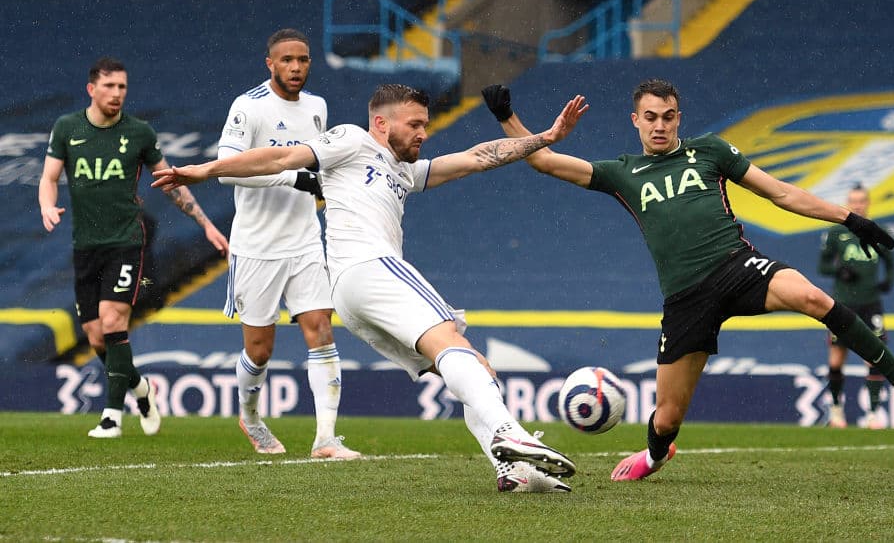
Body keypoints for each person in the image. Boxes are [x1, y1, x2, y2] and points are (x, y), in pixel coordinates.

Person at [479, 80, 894, 482]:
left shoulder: (710, 152)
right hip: (686, 299)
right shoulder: (622, 173)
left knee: (812, 296)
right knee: (667, 418)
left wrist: (848, 218)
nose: (660, 125)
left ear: (679, 118)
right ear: (635, 121)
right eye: (651, 117)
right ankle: (654, 455)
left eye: (668, 116)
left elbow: (779, 192)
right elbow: (541, 161)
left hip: (736, 266)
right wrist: (508, 116)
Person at [152, 84, 588, 493]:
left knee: (471, 366)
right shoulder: (352, 140)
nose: (423, 132)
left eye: (425, 124)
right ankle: (509, 434)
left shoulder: (404, 170)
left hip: (353, 295)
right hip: (370, 267)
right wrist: (207, 169)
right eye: (414, 124)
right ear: (381, 124)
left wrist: (547, 136)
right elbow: (281, 159)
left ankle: (513, 469)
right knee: (453, 342)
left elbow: (477, 157)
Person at [39, 56, 230, 439]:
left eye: (122, 87)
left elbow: (171, 181)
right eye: (109, 86)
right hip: (85, 247)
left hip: (126, 242)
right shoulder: (67, 128)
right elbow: (49, 176)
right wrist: (46, 203)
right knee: (95, 337)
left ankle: (111, 416)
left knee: (113, 322)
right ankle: (141, 389)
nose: (117, 93)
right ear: (91, 89)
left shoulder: (139, 133)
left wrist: (206, 224)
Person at [217, 28, 358, 459]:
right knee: (259, 351)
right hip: (257, 245)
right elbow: (225, 170)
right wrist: (291, 176)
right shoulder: (248, 107)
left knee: (321, 328)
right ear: (270, 64)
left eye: (303, 60)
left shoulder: (317, 107)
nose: (296, 68)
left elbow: (317, 164)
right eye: (287, 60)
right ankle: (251, 416)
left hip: (304, 241)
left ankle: (326, 439)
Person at [818, 184, 894, 429]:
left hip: (871, 304)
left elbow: (891, 263)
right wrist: (839, 269)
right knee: (837, 359)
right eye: (853, 200)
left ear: (868, 202)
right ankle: (837, 411)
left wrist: (886, 283)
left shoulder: (875, 232)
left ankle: (873, 414)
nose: (858, 204)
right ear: (848, 202)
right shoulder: (836, 232)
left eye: (862, 200)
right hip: (842, 304)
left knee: (874, 357)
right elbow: (822, 266)